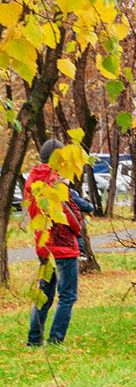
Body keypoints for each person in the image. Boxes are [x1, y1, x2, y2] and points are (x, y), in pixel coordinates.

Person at [25, 139, 83, 347]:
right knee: (67, 295)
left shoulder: (32, 180)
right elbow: (73, 220)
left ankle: (34, 339)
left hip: (43, 246)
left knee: (45, 295)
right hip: (64, 247)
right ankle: (56, 339)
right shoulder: (57, 183)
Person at [68, 187, 95, 259]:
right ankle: (80, 252)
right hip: (71, 220)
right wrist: (90, 207)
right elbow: (82, 203)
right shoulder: (70, 193)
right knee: (77, 233)